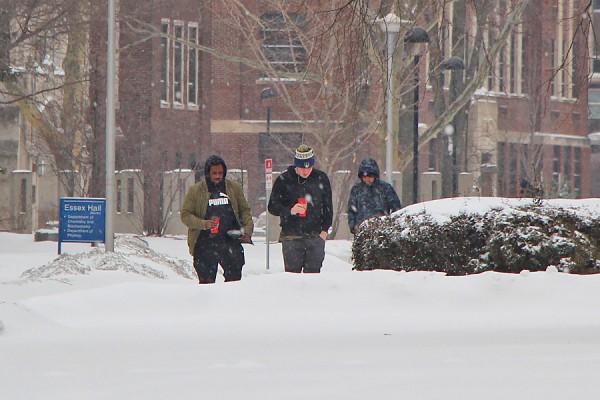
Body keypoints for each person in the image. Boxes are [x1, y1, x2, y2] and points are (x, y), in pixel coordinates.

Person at [181, 155, 253, 283]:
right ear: (207, 173)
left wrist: (247, 230)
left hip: (229, 241)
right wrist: (204, 224)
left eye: (220, 173)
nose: (217, 176)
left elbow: (244, 211)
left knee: (234, 281)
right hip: (204, 244)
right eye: (214, 173)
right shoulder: (196, 191)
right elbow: (185, 215)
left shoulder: (233, 188)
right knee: (207, 284)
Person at [268, 144, 333, 273]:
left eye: (309, 167)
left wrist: (324, 231)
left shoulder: (321, 178)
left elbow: (328, 207)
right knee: (292, 278)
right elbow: (272, 207)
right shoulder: (284, 180)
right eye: (302, 167)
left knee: (314, 277)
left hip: (315, 236)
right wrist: (290, 211)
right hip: (291, 237)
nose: (305, 170)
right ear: (296, 165)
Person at [347, 158, 402, 235]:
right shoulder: (356, 190)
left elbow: (396, 208)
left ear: (375, 176)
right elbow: (351, 210)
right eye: (364, 176)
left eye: (370, 176)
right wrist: (353, 226)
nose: (367, 179)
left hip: (382, 231)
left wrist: (391, 225)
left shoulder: (385, 188)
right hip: (361, 231)